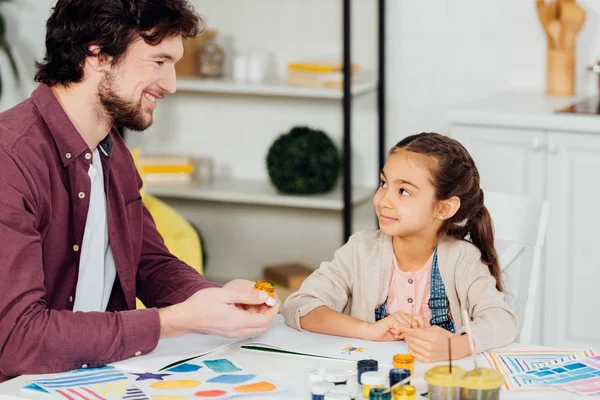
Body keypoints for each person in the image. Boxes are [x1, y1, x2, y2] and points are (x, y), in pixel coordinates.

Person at [0, 0, 279, 382]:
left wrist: (214, 300)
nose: (172, 84)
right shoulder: (9, 161)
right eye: (159, 62)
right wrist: (171, 322)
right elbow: (19, 340)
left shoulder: (112, 151)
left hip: (97, 377)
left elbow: (150, 263)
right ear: (97, 54)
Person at [280, 132, 518, 362]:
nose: (383, 200)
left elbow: (502, 320)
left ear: (444, 208)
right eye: (383, 183)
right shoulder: (360, 251)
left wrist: (456, 345)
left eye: (404, 191)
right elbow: (298, 306)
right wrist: (368, 330)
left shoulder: (461, 259)